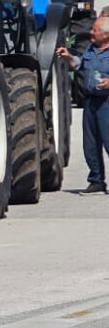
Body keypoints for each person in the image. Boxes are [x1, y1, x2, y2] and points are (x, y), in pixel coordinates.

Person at [58, 15, 109, 194]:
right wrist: (68, 57)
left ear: (106, 35)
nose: (91, 32)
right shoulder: (90, 49)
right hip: (90, 103)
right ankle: (96, 181)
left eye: (95, 30)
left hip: (106, 104)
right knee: (90, 145)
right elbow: (79, 64)